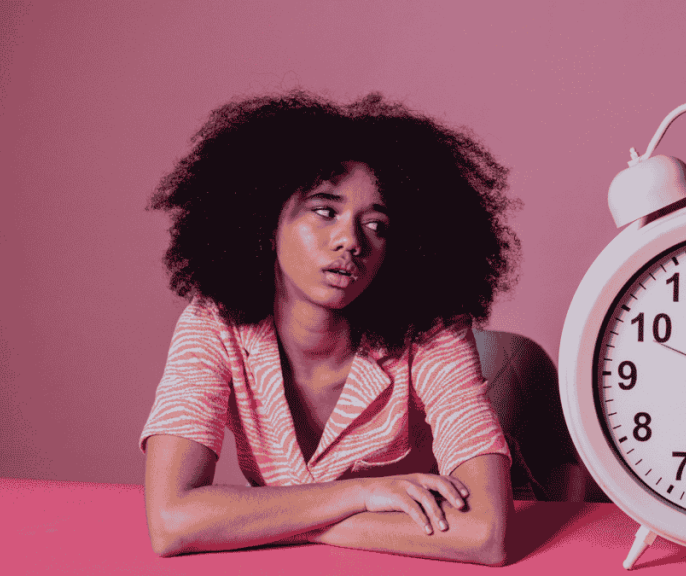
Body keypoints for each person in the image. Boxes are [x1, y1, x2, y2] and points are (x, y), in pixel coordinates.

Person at [140, 91, 521, 565]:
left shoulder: (432, 330)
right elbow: (172, 521)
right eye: (325, 211)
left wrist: (281, 524)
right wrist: (362, 495)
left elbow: (485, 533)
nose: (351, 241)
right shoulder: (215, 324)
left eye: (377, 225)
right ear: (265, 219)